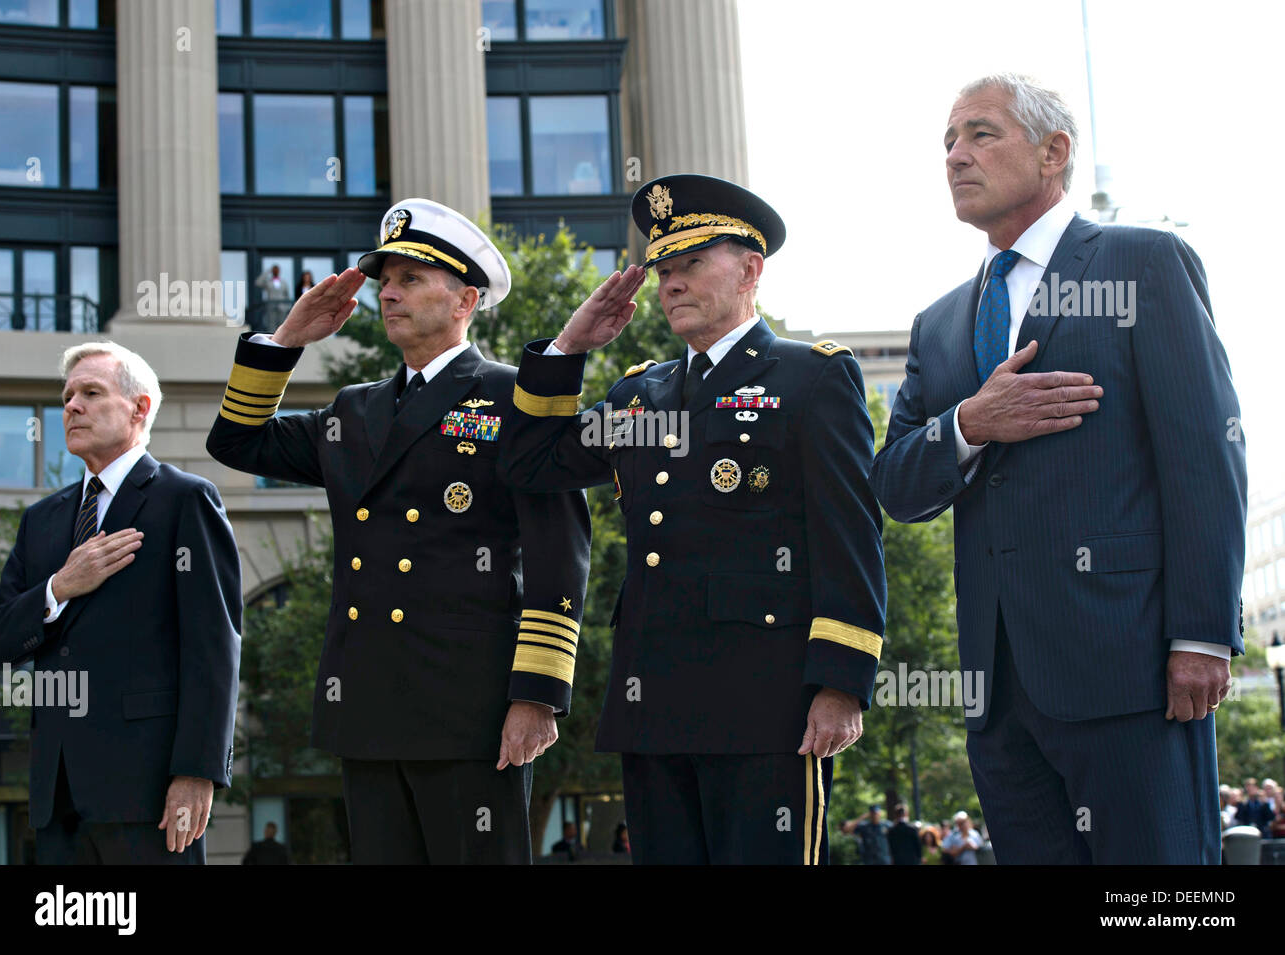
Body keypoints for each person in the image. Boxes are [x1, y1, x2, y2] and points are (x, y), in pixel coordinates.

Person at [870, 73, 1246, 865]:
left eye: (980, 134)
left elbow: (1206, 456)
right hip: (999, 691)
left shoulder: (1143, 262)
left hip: (1134, 666)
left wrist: (1204, 633)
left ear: (1055, 151)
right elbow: (895, 483)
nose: (955, 156)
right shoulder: (939, 323)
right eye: (946, 141)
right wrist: (971, 422)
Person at [501, 174, 887, 865]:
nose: (671, 283)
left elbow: (849, 533)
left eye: (690, 264)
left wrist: (842, 682)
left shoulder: (811, 378)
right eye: (663, 270)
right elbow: (530, 463)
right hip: (652, 705)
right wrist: (569, 347)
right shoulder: (641, 394)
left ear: (750, 268)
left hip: (769, 707)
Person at [206, 198, 591, 865]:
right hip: (370, 703)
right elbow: (237, 441)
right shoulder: (356, 409)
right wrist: (286, 341)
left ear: (466, 298)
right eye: (384, 279)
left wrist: (538, 696)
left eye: (410, 278)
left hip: (471, 708)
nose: (388, 292)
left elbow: (561, 553)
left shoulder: (515, 396)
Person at [0, 342, 242, 864]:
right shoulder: (42, 519)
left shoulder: (184, 499)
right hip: (57, 796)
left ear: (139, 407)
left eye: (91, 393)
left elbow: (213, 647)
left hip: (150, 793)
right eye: (67, 397)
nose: (71, 407)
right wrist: (60, 586)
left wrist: (197, 771)